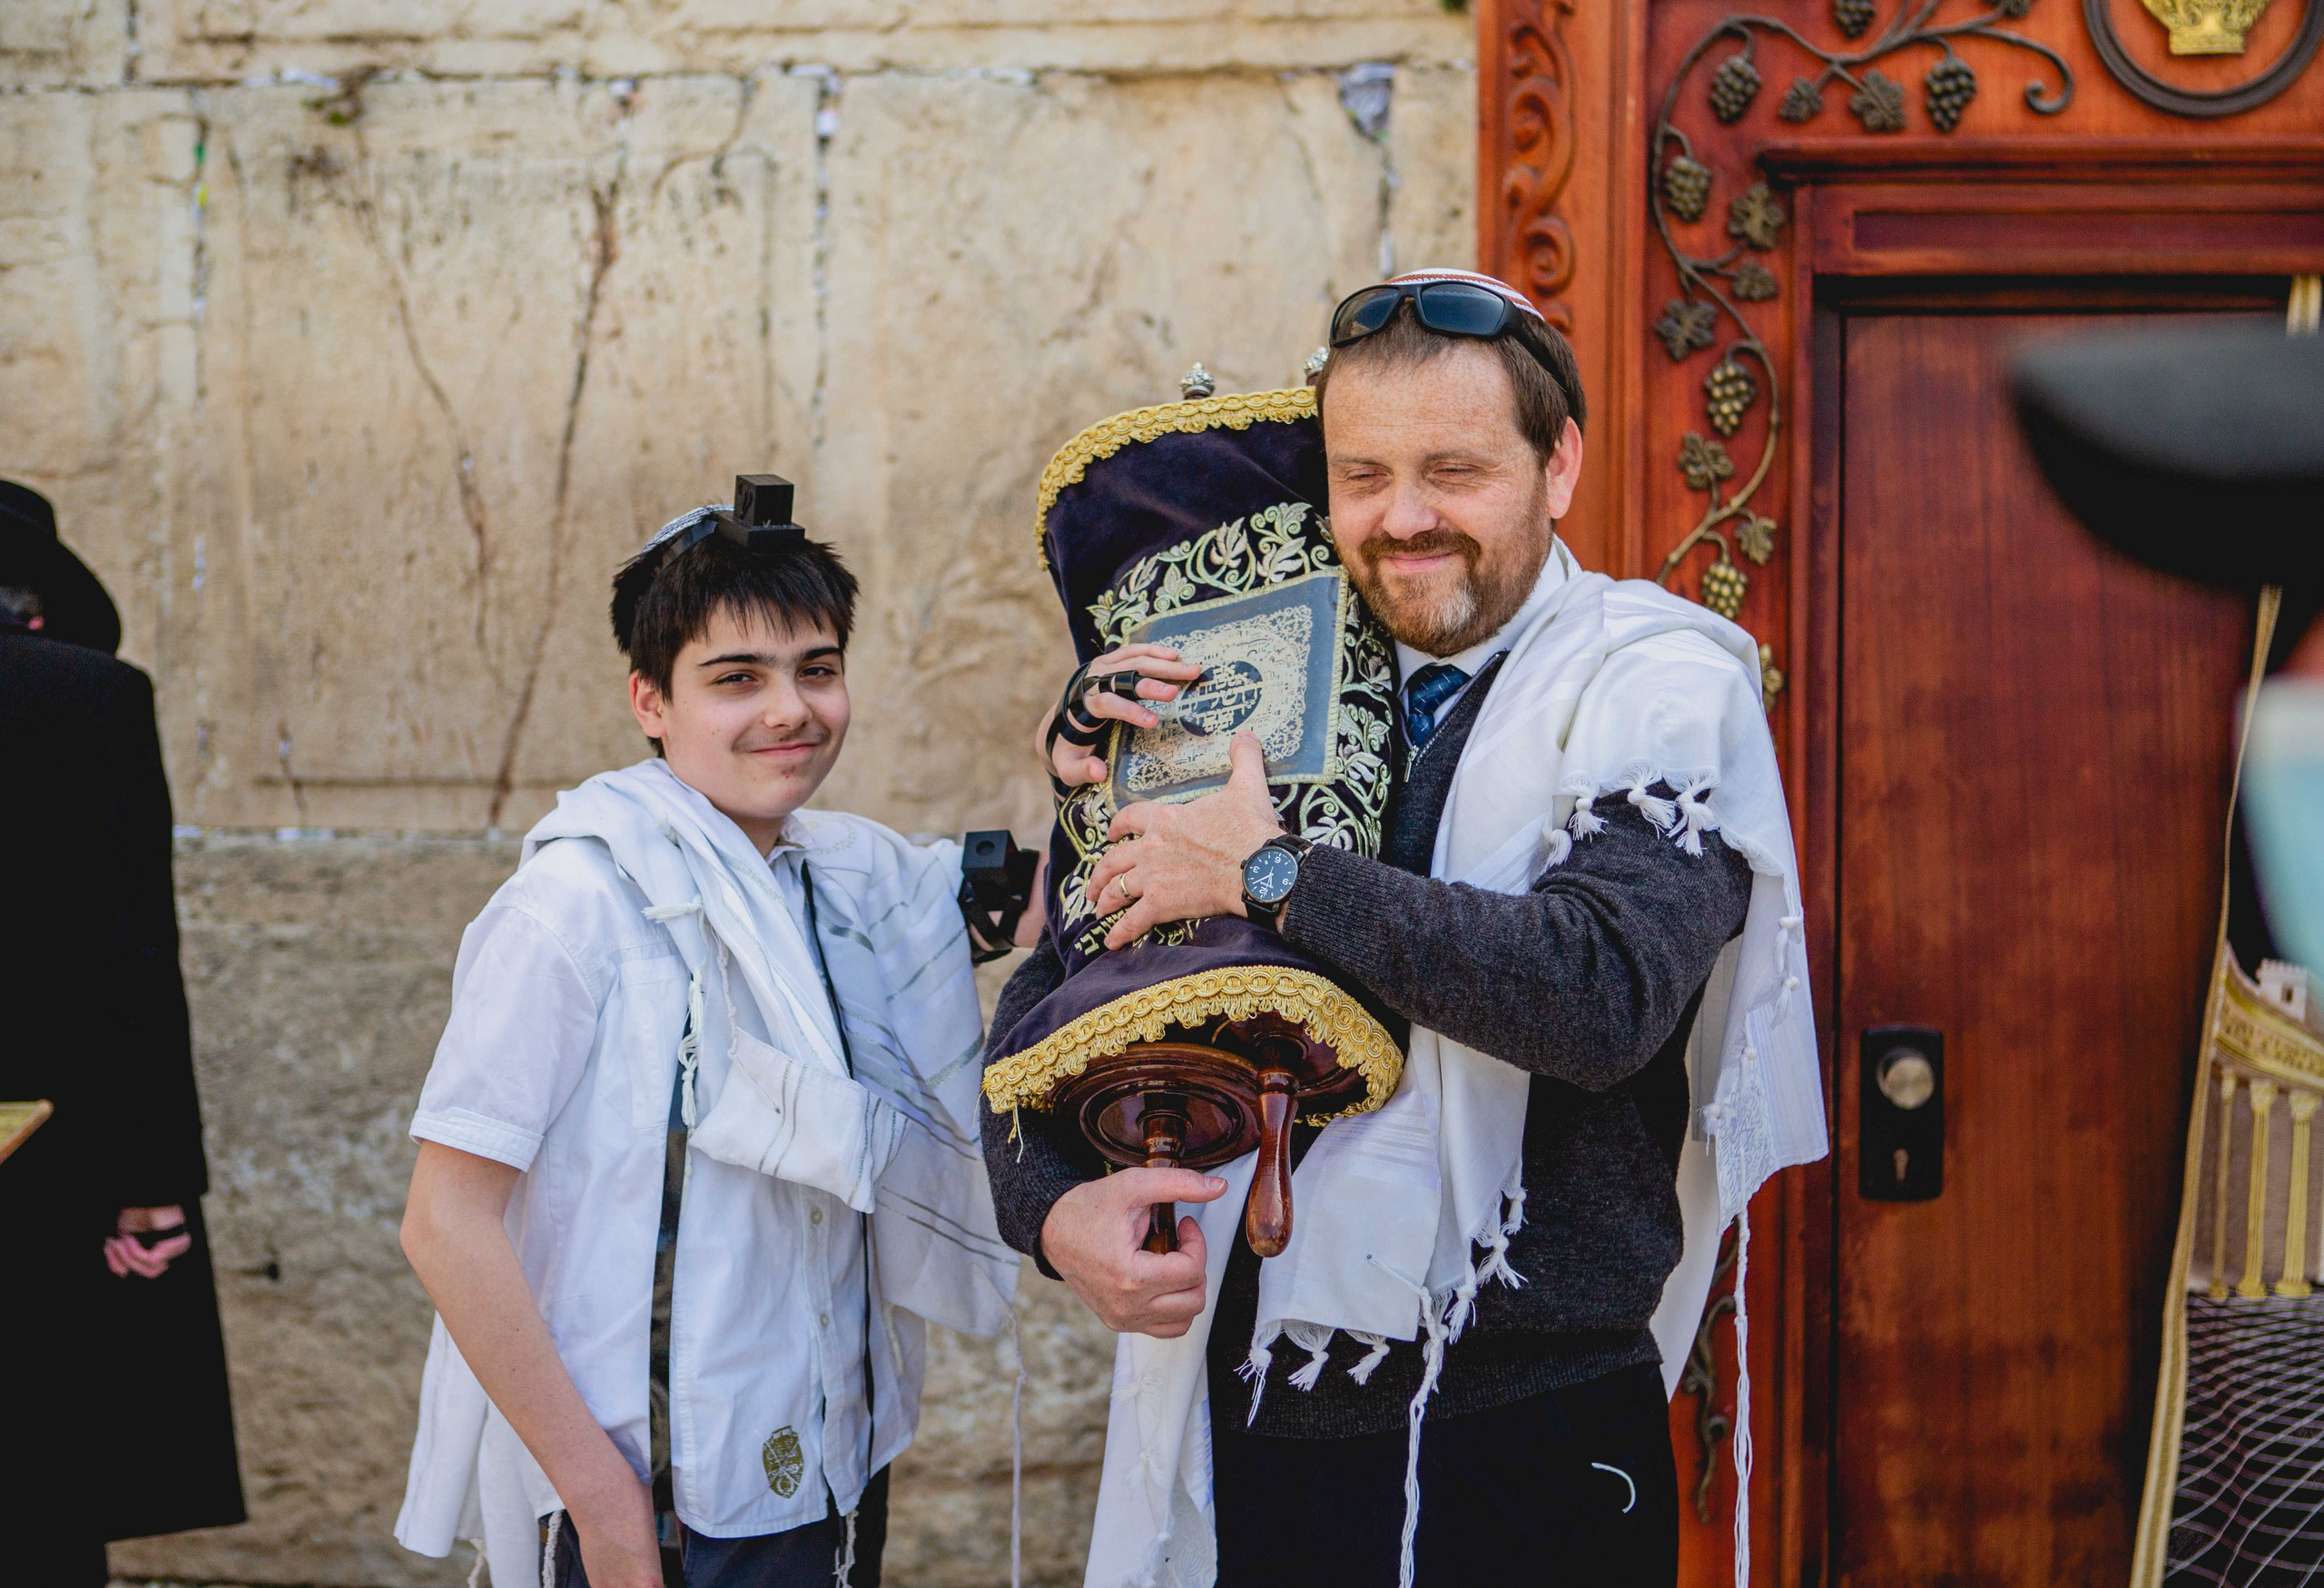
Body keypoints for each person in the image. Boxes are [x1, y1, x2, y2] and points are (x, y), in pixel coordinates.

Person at [980, 271, 1827, 1587]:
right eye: (1362, 476)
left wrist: (1269, 872)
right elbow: (1060, 999)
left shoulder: (1659, 686)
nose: (1404, 518)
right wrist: (1049, 1213)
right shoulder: (1252, 671)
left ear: (1559, 467)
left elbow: (1599, 996)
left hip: (1533, 1437)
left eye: (1455, 471)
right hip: (1255, 1425)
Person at [394, 490, 1025, 1588]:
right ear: (650, 699)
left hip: (834, 1458)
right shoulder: (575, 907)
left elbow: (1023, 897)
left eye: (817, 669)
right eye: (737, 678)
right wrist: (606, 1511)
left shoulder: (846, 880)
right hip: (657, 1494)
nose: (790, 710)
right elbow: (445, 1222)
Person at [0, 478, 246, 1584]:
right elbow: (132, 956)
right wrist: (153, 1183)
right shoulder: (91, 696)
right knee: (41, 1482)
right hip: (47, 1160)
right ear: (38, 603)